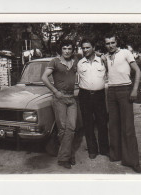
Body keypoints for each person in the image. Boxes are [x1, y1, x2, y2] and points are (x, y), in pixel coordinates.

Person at [103, 34, 141, 173]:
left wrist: (135, 90)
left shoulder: (126, 52)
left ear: (116, 42)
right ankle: (115, 155)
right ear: (105, 44)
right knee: (113, 125)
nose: (110, 45)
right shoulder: (106, 56)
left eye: (112, 42)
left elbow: (137, 71)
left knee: (128, 126)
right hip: (111, 91)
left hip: (125, 89)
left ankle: (132, 160)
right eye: (107, 43)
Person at [41, 40, 78, 169]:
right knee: (62, 129)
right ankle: (65, 157)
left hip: (71, 98)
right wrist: (55, 91)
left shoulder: (75, 61)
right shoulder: (55, 61)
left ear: (73, 50)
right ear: (61, 50)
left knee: (71, 128)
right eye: (64, 48)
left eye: (69, 48)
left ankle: (66, 154)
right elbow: (44, 77)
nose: (67, 51)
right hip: (59, 98)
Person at [77, 38, 109, 159]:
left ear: (93, 47)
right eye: (83, 48)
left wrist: (102, 55)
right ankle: (92, 150)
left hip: (99, 95)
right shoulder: (80, 63)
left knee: (102, 122)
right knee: (88, 123)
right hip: (84, 95)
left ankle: (104, 149)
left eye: (88, 47)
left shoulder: (102, 60)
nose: (85, 50)